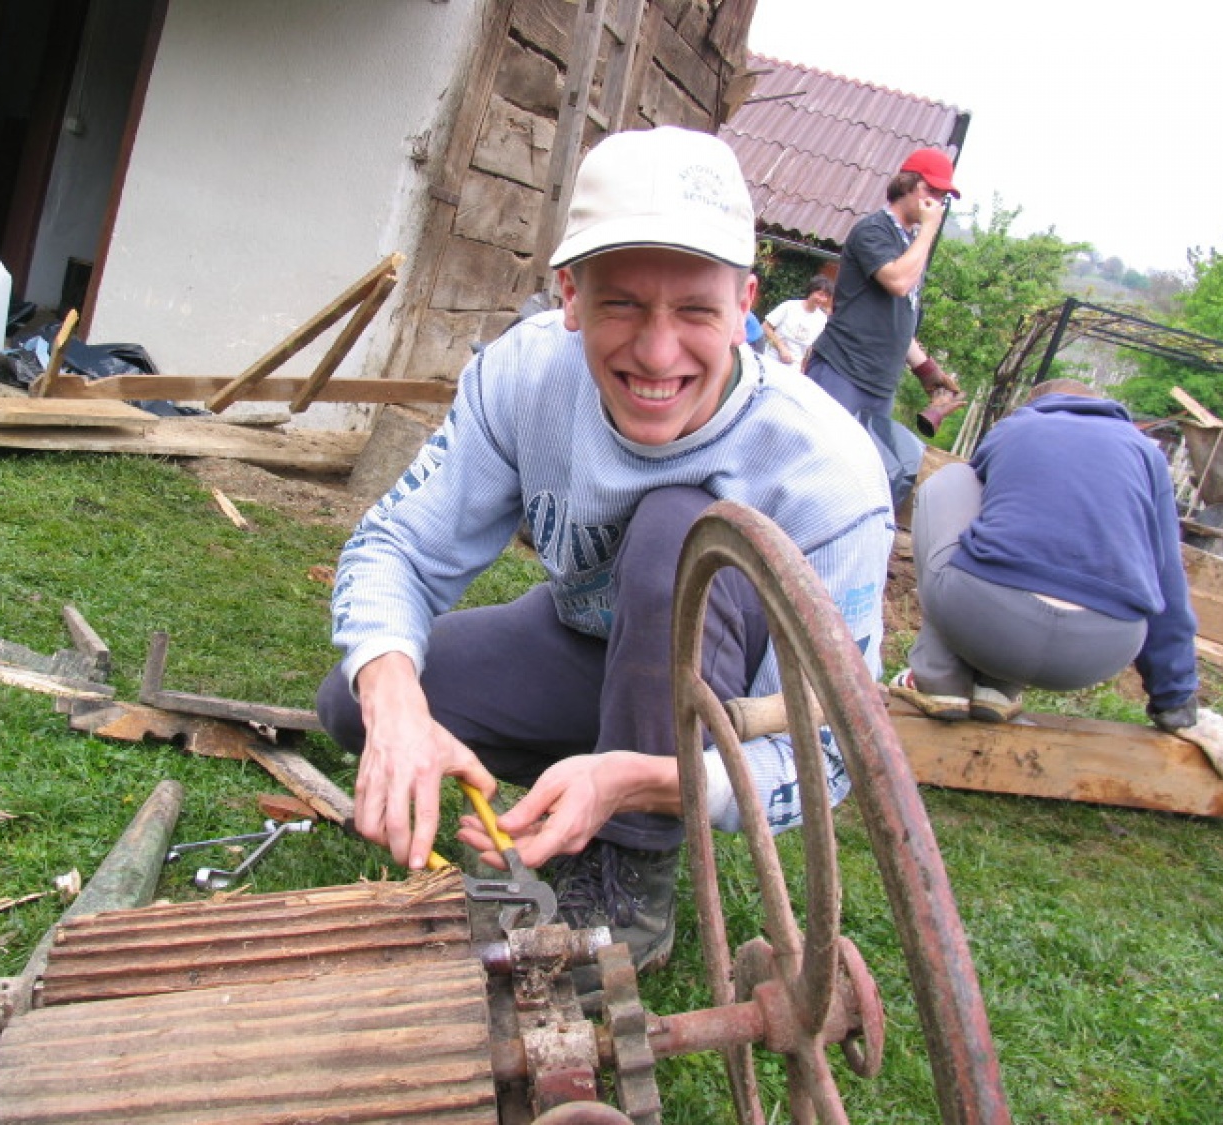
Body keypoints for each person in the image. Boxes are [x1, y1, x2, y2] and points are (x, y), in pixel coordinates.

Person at [315, 125, 894, 978]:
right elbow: (395, 544)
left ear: (746, 305)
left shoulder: (827, 473)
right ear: (570, 296)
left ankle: (631, 880)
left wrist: (647, 783)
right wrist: (397, 700)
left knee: (680, 530)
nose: (658, 353)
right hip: (584, 642)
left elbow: (830, 752)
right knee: (355, 701)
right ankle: (592, 762)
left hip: (715, 703)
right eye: (621, 303)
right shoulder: (523, 377)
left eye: (696, 310)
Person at [889, 379, 1223, 780]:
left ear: (1035, 405)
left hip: (988, 623)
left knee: (956, 482)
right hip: (1097, 653)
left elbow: (987, 531)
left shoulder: (1016, 428)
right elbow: (1168, 581)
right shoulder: (1146, 455)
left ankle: (938, 677)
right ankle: (996, 690)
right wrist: (1176, 701)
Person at [805, 148, 964, 419]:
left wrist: (926, 369)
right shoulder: (874, 229)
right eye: (932, 191)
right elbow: (898, 282)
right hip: (842, 371)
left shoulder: (911, 244)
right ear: (908, 183)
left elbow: (898, 317)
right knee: (812, 459)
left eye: (942, 197)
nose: (937, 203)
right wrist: (928, 230)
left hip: (880, 387)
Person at [762, 276, 833, 370]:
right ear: (811, 291)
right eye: (820, 294)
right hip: (771, 359)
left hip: (793, 368)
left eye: (826, 297)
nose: (822, 299)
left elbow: (811, 348)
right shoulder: (789, 306)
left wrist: (804, 367)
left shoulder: (822, 320)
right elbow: (765, 326)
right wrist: (781, 347)